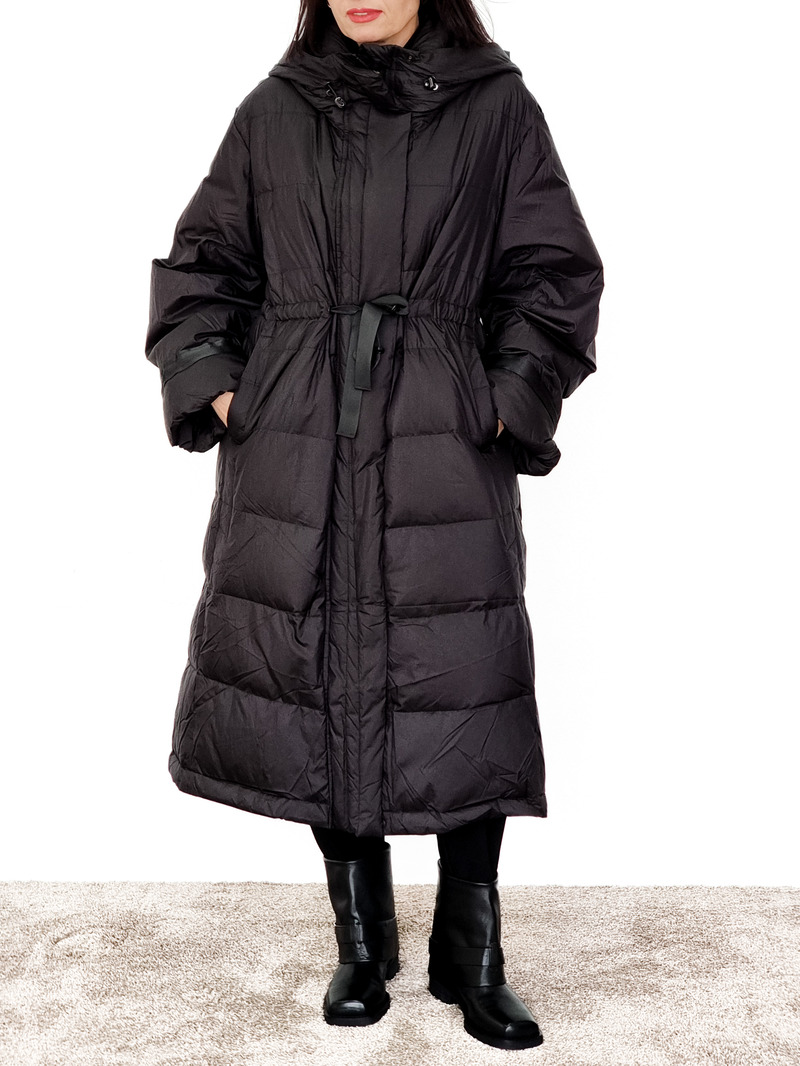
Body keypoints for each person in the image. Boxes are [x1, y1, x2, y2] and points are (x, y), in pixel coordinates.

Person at [145, 0, 603, 1051]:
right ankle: (361, 941)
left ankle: (470, 951)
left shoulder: (495, 107)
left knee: (460, 673)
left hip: (441, 434)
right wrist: (227, 391)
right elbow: (201, 266)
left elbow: (553, 272)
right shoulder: (274, 109)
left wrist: (505, 397)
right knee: (318, 670)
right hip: (297, 435)